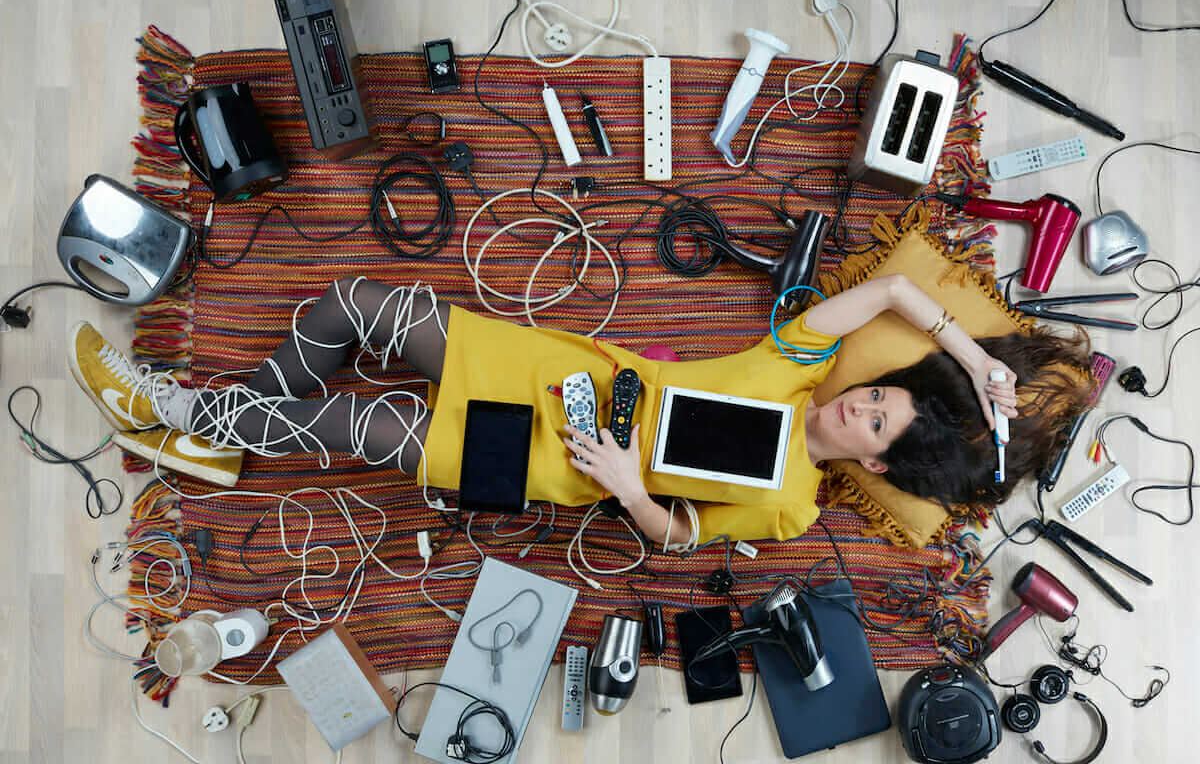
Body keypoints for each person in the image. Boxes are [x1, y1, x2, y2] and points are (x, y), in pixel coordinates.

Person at [67, 273, 1089, 548]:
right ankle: (220, 429)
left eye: (870, 422)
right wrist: (970, 358)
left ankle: (175, 411)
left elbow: (682, 538)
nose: (856, 404)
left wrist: (632, 489)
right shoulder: (791, 366)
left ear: (873, 464)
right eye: (874, 392)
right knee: (349, 308)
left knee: (352, 428)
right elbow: (893, 294)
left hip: (547, 460)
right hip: (549, 368)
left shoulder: (791, 504)